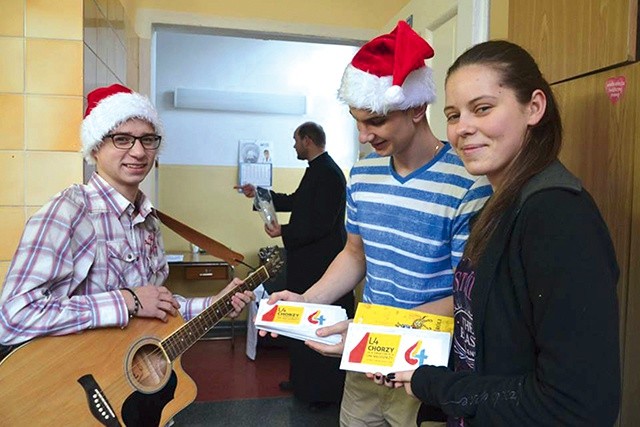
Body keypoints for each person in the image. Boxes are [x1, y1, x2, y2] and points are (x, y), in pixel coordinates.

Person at [378, 40, 621, 426]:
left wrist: (438, 386)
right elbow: (482, 323)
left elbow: (577, 403)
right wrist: (366, 335)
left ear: (534, 107)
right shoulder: (498, 205)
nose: (463, 129)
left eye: (483, 108)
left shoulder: (556, 215)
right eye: (454, 115)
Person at [263, 22, 492, 427]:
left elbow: (465, 296)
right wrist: (308, 300)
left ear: (418, 108)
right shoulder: (364, 174)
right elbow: (354, 253)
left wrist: (369, 334)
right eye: (356, 120)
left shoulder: (467, 184)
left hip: (426, 366)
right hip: (364, 362)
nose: (364, 135)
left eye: (376, 121)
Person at [0, 84, 253, 357]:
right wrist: (126, 301)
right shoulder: (69, 212)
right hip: (78, 387)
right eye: (122, 139)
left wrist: (213, 304)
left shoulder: (148, 220)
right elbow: (14, 318)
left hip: (132, 379)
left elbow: (156, 305)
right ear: (95, 147)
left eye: (148, 139)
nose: (139, 152)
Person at [236, 121, 354, 412]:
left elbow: (320, 224)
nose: (293, 146)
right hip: (308, 261)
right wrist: (259, 194)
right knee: (301, 322)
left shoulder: (328, 174)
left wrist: (283, 233)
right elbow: (295, 202)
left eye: (295, 140)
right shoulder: (317, 170)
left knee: (317, 323)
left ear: (308, 140)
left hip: (323, 266)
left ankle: (322, 391)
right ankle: (302, 381)